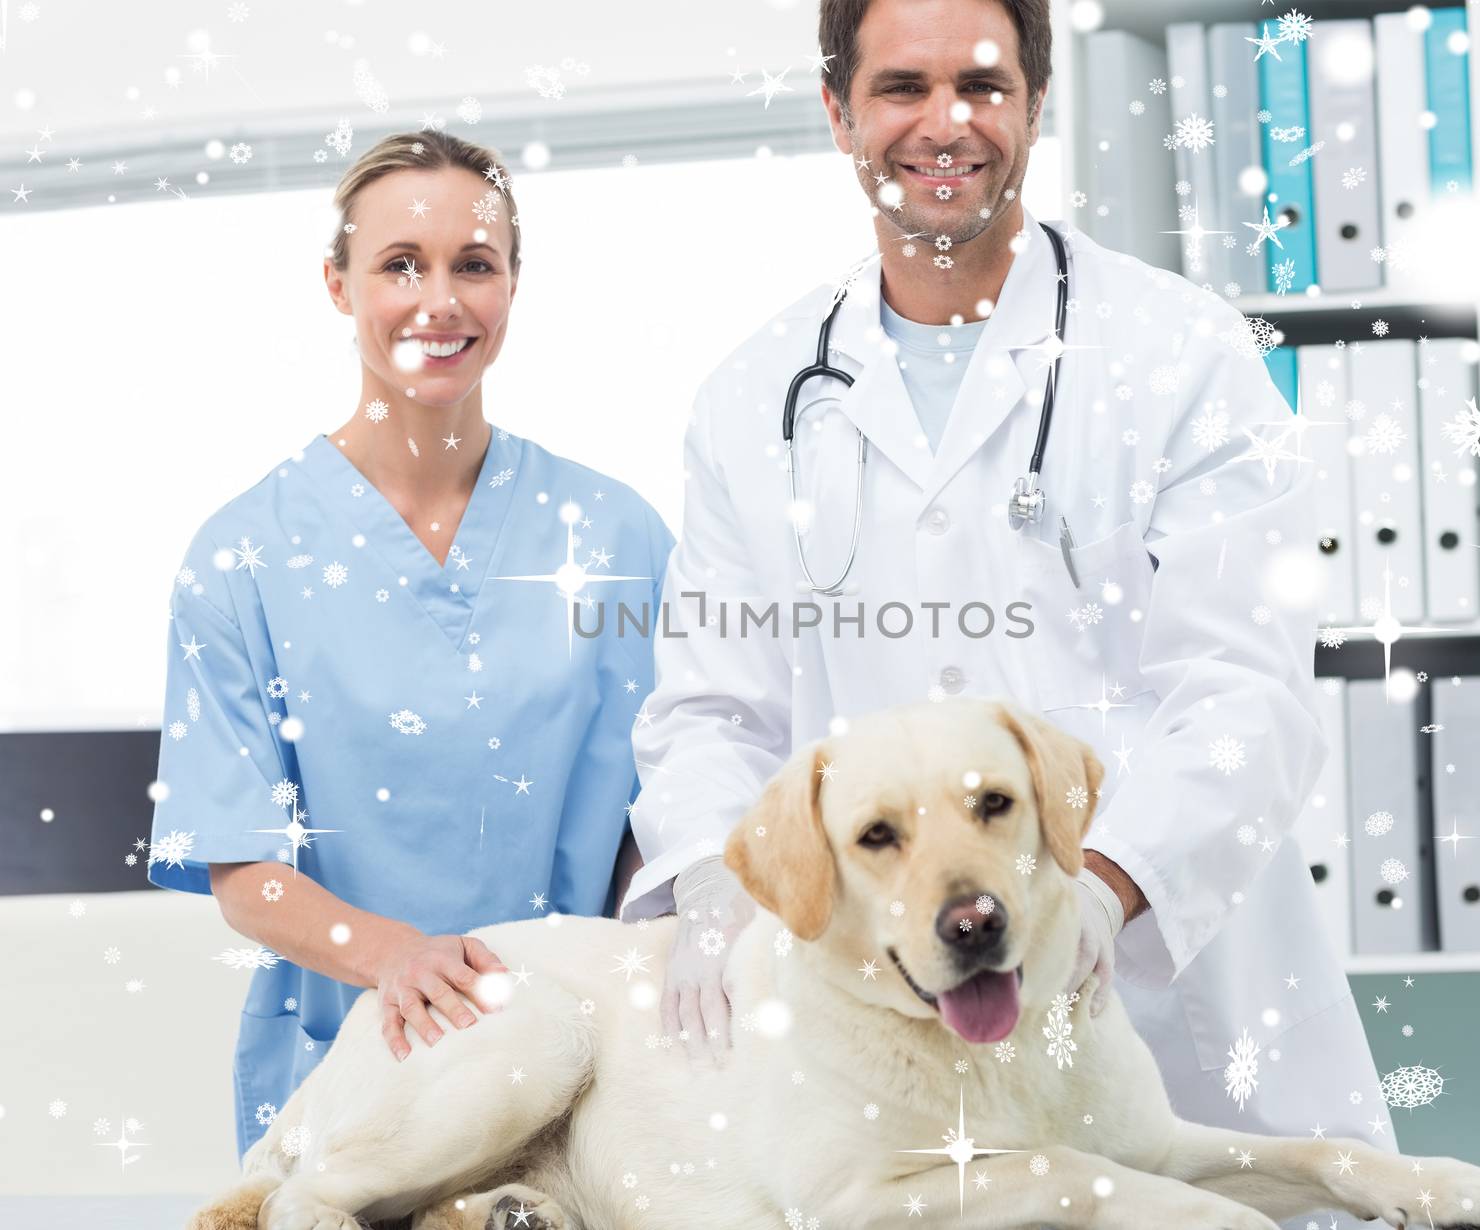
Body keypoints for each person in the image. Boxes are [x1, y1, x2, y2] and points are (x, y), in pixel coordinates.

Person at [625, 0, 1399, 1203]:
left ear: (1037, 102)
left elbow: (1246, 693)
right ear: (838, 112)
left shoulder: (1178, 353)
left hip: (1166, 1001)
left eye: (983, 85)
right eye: (901, 89)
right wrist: (720, 888)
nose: (946, 124)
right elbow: (709, 711)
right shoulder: (750, 400)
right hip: (890, 1057)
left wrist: (1100, 890)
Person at [147, 130, 673, 1161]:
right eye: (400, 265)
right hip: (344, 1078)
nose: (440, 301)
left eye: (473, 265)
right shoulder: (240, 559)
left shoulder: (614, 539)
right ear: (338, 286)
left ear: (512, 285)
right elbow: (245, 870)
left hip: (577, 1068)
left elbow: (670, 803)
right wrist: (403, 961)